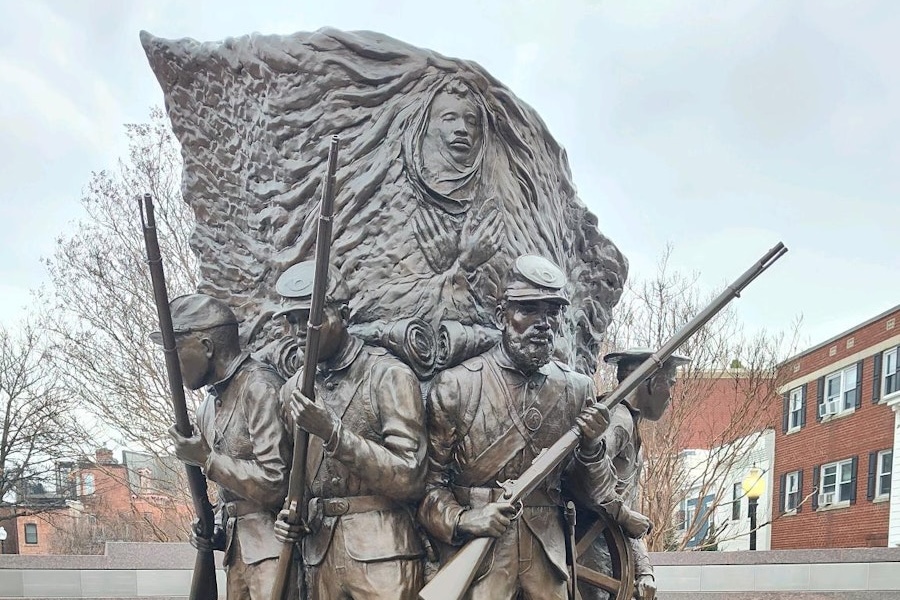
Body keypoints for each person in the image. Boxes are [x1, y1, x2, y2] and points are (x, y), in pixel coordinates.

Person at [417, 254, 611, 600]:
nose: (543, 323)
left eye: (552, 312)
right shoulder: (457, 386)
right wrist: (464, 521)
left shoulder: (577, 390)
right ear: (501, 316)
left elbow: (592, 495)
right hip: (480, 558)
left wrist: (593, 447)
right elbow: (430, 488)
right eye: (529, 310)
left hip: (548, 559)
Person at [273, 261, 427, 600]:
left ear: (344, 315)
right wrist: (287, 515)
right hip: (319, 556)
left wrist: (333, 434)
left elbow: (410, 477)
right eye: (292, 320)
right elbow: (289, 483)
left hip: (384, 553)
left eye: (311, 317)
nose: (301, 329)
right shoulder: (291, 391)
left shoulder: (387, 375)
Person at [161, 294, 291, 600]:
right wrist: (215, 524)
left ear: (207, 347)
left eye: (177, 351)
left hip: (274, 552)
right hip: (236, 555)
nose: (172, 366)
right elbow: (227, 493)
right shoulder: (207, 407)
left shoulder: (259, 387)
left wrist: (207, 459)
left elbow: (276, 483)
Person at [575, 348, 690, 600]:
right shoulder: (618, 419)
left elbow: (631, 518)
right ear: (650, 381)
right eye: (670, 383)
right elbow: (582, 479)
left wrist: (645, 572)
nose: (671, 395)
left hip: (610, 561)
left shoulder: (627, 423)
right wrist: (624, 515)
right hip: (589, 561)